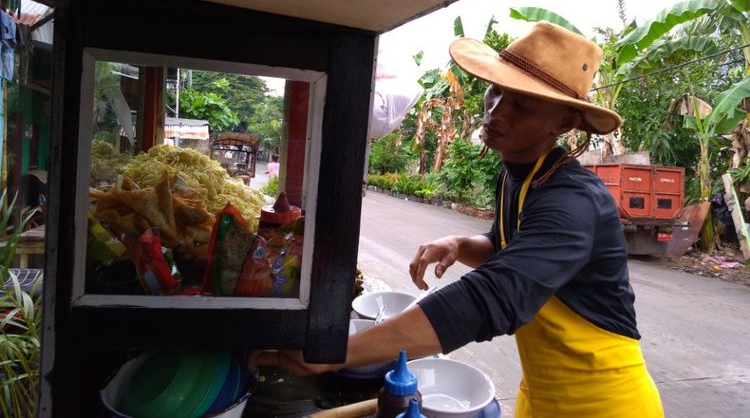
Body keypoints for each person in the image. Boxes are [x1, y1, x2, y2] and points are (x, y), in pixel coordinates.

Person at [250, 22, 664, 417]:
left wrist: (336, 351)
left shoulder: (574, 200)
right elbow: (515, 254)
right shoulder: (520, 177)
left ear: (566, 121)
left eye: (522, 104)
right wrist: (462, 245)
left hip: (605, 400)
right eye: (495, 92)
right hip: (539, 394)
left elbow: (496, 295)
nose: (497, 112)